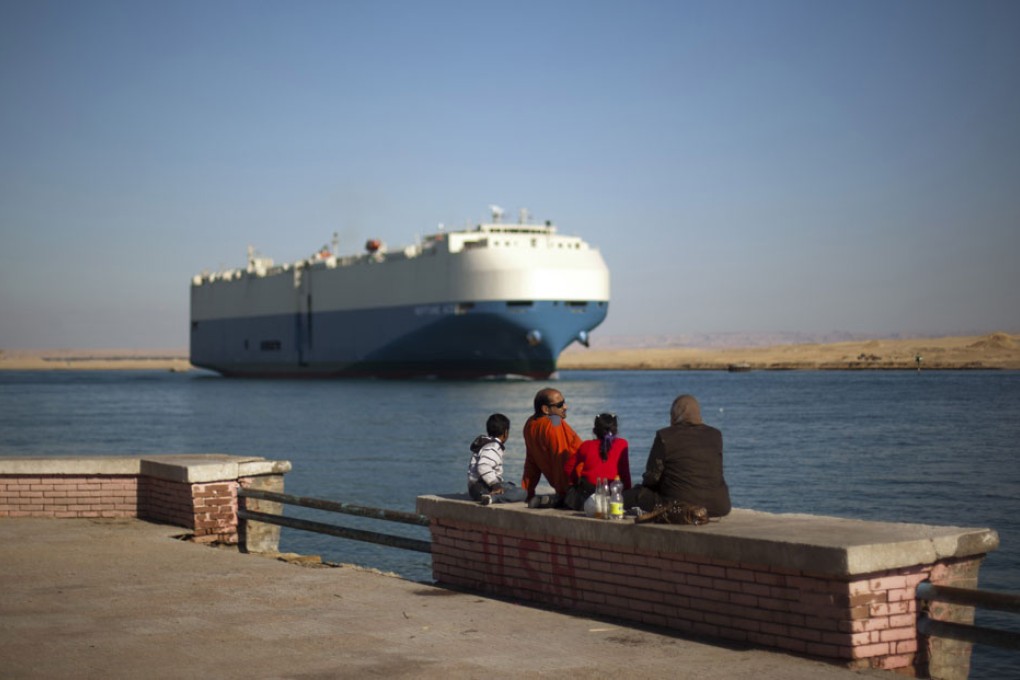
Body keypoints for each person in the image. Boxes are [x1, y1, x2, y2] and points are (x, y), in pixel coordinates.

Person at [623, 394, 731, 517]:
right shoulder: (716, 435)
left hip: (679, 504)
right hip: (718, 506)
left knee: (631, 496)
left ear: (675, 415)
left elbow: (652, 477)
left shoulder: (665, 436)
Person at [521, 387, 582, 507]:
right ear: (546, 409)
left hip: (568, 486)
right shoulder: (555, 421)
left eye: (564, 402)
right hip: (577, 486)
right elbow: (561, 457)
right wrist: (566, 493)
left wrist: (527, 492)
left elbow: (531, 462)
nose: (565, 407)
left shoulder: (530, 424)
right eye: (560, 405)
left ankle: (555, 499)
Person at [562, 413, 631, 511]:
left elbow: (568, 467)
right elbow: (625, 473)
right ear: (615, 430)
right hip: (611, 493)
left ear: (595, 431)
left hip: (588, 495)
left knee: (572, 491)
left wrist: (576, 482)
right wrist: (626, 493)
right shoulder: (622, 444)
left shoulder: (586, 445)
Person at [467, 413, 527, 505]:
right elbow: (483, 466)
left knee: (511, 486)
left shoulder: (486, 443)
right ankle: (492, 498)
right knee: (523, 493)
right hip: (483, 487)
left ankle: (492, 496)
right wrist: (495, 485)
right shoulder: (493, 447)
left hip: (475, 488)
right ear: (505, 433)